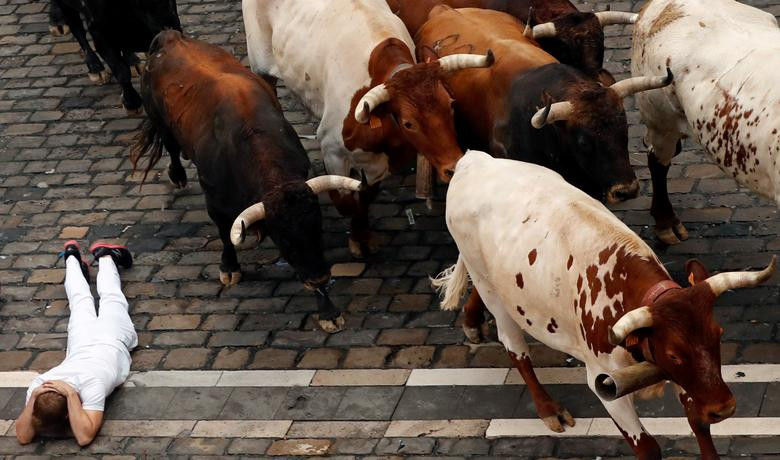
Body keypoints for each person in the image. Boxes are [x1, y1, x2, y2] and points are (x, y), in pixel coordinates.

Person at [16, 241, 136, 446]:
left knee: (111, 299)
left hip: (112, 338)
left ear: (67, 416)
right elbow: (23, 436)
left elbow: (84, 437)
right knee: (80, 301)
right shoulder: (39, 384)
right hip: (83, 340)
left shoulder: (92, 386)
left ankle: (105, 256)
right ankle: (71, 256)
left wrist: (70, 395)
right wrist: (43, 393)